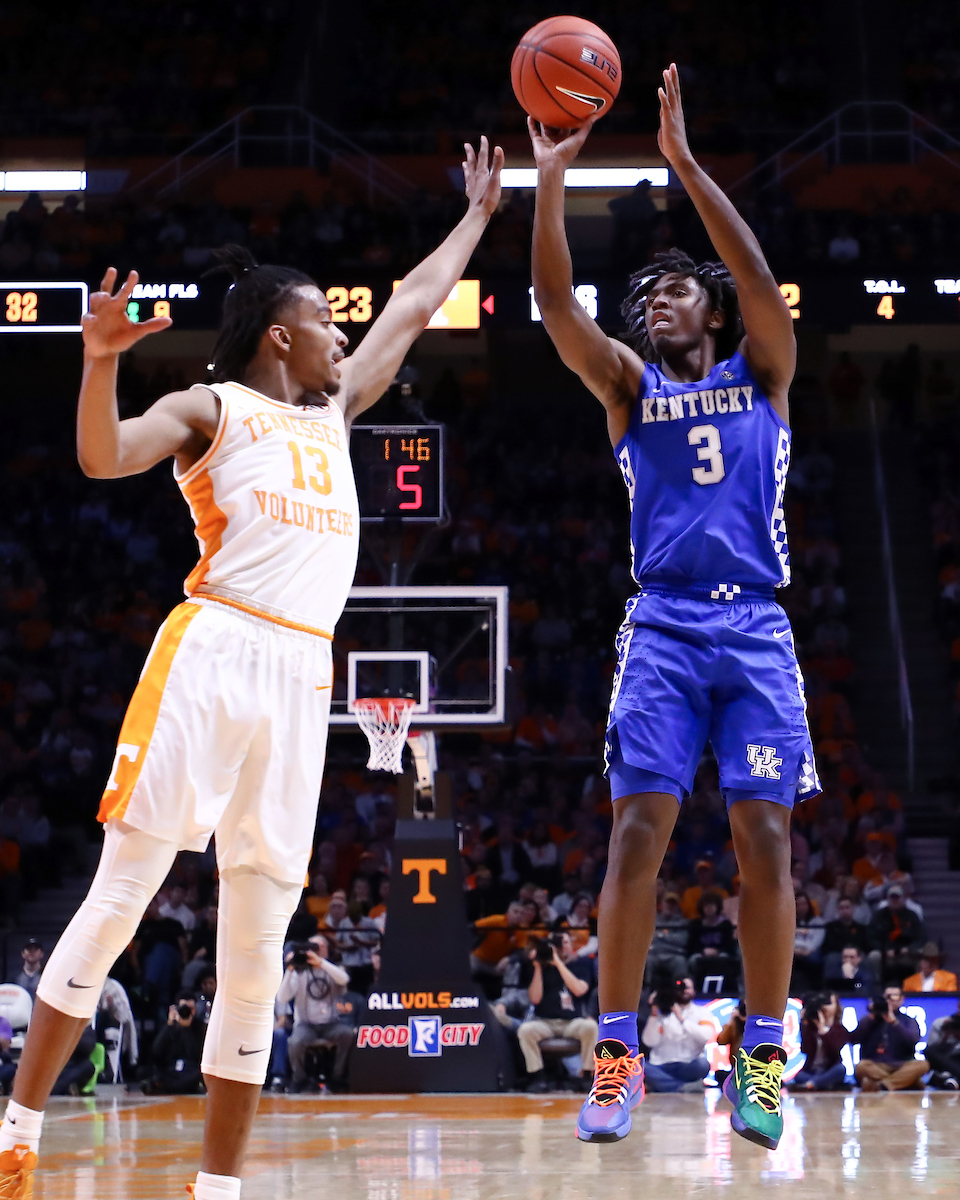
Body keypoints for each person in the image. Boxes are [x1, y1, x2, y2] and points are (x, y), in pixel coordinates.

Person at [0, 136, 504, 1200]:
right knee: (126, 887)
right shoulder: (211, 409)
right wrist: (98, 360)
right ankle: (19, 1127)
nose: (344, 335)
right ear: (282, 334)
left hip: (302, 673)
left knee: (259, 940)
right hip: (215, 647)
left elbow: (414, 303)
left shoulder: (333, 411)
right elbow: (102, 457)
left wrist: (478, 216)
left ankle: (217, 1188)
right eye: (327, 320)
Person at [530, 64, 820, 1149]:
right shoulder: (627, 388)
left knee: (765, 842)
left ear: (714, 307)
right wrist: (550, 181)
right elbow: (559, 306)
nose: (655, 303)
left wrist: (688, 166)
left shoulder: (766, 371)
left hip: (755, 628)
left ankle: (761, 1056)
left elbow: (758, 275)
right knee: (638, 834)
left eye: (673, 291)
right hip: (661, 626)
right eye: (644, 297)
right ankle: (617, 1057)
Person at [517, 933, 598, 1093]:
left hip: (571, 1023)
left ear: (572, 946)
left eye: (567, 942)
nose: (563, 946)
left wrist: (558, 963)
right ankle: (538, 1076)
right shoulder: (541, 969)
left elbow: (579, 989)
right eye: (559, 943)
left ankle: (587, 1075)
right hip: (545, 1022)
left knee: (591, 1026)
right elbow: (535, 998)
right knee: (525, 1030)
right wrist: (538, 966)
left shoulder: (580, 965)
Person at [275, 935, 354, 1093]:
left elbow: (344, 979)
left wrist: (322, 963)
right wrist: (290, 969)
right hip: (306, 1025)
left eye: (318, 947)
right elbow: (282, 997)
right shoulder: (299, 972)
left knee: (348, 1034)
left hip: (331, 1023)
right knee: (295, 1042)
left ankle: (337, 1077)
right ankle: (299, 1079)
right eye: (311, 948)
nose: (314, 952)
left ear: (325, 950)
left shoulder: (332, 968)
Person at [641, 975, 711, 1093]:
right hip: (661, 1065)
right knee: (640, 1066)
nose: (684, 991)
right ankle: (682, 1087)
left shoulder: (702, 1012)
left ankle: (661, 1085)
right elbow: (649, 1041)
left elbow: (705, 1037)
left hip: (688, 1064)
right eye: (680, 988)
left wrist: (681, 1018)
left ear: (694, 991)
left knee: (703, 1065)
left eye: (687, 988)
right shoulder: (661, 1014)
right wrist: (654, 1013)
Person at [851, 986, 928, 1092]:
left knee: (923, 1065)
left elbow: (913, 1041)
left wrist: (894, 1022)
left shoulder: (908, 1020)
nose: (891, 1000)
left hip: (902, 1064)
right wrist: (871, 1017)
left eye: (895, 996)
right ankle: (906, 1082)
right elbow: (854, 1039)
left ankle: (883, 1085)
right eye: (887, 997)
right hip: (876, 1065)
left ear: (902, 999)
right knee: (861, 1066)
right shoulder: (871, 1019)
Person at [143, 992, 206, 1095]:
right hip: (171, 1070)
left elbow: (195, 1055)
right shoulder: (170, 1026)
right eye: (184, 1008)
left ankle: (164, 1087)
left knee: (198, 1075)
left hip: (191, 1071)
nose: (187, 1011)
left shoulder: (200, 1027)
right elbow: (156, 1052)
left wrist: (186, 1028)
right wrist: (169, 1025)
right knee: (148, 1072)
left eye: (191, 1008)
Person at [869, 885, 926, 983]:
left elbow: (922, 937)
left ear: (903, 898)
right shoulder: (878, 916)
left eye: (897, 897)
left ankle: (919, 983)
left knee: (921, 954)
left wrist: (910, 948)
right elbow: (871, 937)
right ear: (887, 899)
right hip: (885, 951)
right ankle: (876, 983)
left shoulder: (912, 915)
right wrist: (884, 950)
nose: (895, 900)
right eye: (892, 897)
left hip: (907, 951)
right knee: (873, 956)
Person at [792, 993, 849, 1091]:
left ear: (837, 1007)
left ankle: (812, 1084)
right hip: (812, 1071)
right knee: (799, 1076)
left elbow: (834, 1050)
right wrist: (804, 1024)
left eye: (829, 1003)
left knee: (841, 1069)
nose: (825, 1007)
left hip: (830, 1070)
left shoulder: (839, 1029)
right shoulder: (811, 1028)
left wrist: (822, 1031)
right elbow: (805, 1049)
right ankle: (820, 1084)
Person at [686, 892, 738, 992]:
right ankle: (697, 990)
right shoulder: (695, 924)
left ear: (717, 906)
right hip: (700, 954)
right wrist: (703, 951)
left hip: (721, 953)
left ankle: (728, 991)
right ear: (702, 907)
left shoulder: (725, 924)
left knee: (726, 961)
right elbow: (692, 944)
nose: (709, 908)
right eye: (706, 905)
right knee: (694, 960)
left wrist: (717, 951)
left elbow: (729, 944)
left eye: (712, 905)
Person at [924, 1009, 960, 1090]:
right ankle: (952, 1078)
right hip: (947, 1057)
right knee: (929, 1051)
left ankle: (947, 1077)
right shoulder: (941, 1022)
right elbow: (930, 1048)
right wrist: (945, 1036)